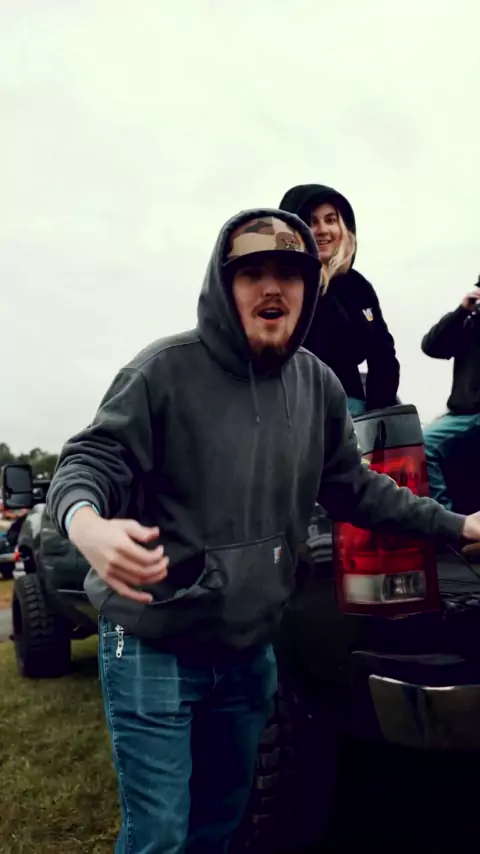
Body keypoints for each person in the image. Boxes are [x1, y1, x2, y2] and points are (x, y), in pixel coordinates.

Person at [48, 208, 480, 854]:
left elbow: (358, 490)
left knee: (221, 824)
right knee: (159, 834)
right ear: (223, 286)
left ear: (309, 289)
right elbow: (89, 461)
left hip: (248, 651)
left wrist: (457, 524)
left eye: (289, 273)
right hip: (151, 641)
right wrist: (87, 525)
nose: (272, 287)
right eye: (252, 273)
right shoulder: (163, 371)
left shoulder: (317, 386)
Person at [279, 183, 399, 417]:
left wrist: (378, 415)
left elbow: (383, 352)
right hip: (294, 407)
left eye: (331, 220)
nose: (323, 230)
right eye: (311, 222)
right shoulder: (282, 284)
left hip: (353, 407)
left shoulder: (359, 287)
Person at [421, 278, 480, 509]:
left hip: (473, 415)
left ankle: (445, 517)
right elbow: (432, 346)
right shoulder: (470, 323)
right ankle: (447, 516)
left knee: (426, 444)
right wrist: (461, 311)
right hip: (462, 415)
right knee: (419, 444)